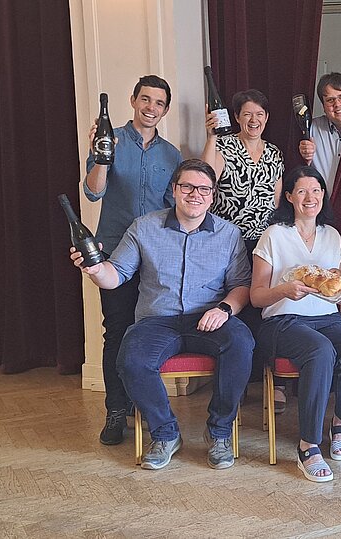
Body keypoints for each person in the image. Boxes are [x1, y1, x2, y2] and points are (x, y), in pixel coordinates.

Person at [71, 159, 254, 471]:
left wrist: (224, 309)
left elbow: (241, 286)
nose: (195, 194)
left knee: (242, 344)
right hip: (158, 320)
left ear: (212, 196)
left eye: (203, 189)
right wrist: (96, 270)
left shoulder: (229, 234)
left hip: (208, 317)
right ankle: (166, 434)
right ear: (174, 190)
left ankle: (220, 432)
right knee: (130, 360)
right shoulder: (144, 227)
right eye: (187, 186)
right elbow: (115, 275)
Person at [250, 166, 341, 483]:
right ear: (289, 197)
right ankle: (309, 445)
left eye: (315, 190)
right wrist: (284, 290)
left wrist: (335, 281)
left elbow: (340, 291)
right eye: (301, 191)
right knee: (320, 351)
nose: (310, 197)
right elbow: (257, 296)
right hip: (283, 318)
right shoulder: (274, 234)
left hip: (327, 316)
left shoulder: (332, 235)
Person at [83, 75, 183, 446]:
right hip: (114, 251)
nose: (151, 108)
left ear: (166, 109)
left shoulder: (171, 155)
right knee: (117, 331)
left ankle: (145, 403)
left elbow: (175, 207)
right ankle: (115, 410)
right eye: (145, 99)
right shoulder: (110, 140)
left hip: (154, 256)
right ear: (133, 100)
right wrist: (100, 156)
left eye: (158, 103)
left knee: (151, 331)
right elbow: (93, 192)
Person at [201, 88, 285, 406]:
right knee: (236, 310)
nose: (254, 120)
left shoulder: (275, 152)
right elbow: (206, 177)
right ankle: (238, 382)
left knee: (267, 312)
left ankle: (271, 381)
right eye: (247, 113)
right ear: (236, 116)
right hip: (228, 243)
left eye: (260, 114)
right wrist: (211, 136)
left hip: (264, 243)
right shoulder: (224, 144)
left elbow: (277, 202)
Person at [298, 72, 341, 192]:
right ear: (323, 106)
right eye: (330, 100)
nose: (337, 104)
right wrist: (304, 158)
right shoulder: (310, 129)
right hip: (320, 207)